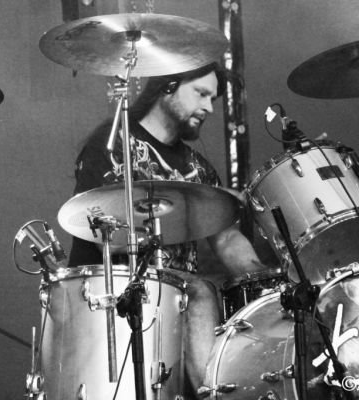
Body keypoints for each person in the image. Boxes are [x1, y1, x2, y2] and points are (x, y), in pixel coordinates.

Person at [68, 62, 265, 397]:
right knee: (200, 290)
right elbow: (103, 232)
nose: (209, 107)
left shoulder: (198, 168)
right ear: (169, 86)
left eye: (213, 98)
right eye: (201, 94)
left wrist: (263, 278)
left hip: (174, 303)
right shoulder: (113, 145)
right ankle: (212, 394)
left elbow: (227, 238)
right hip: (111, 291)